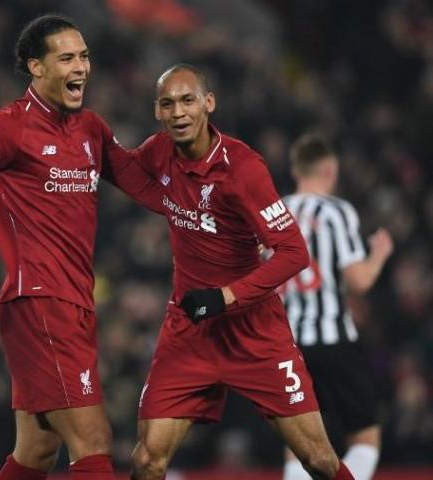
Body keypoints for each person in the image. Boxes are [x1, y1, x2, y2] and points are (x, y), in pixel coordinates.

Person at [0, 14, 160, 480]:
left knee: (36, 453)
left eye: (84, 55)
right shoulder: (4, 128)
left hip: (75, 302)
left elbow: (143, 186)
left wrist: (212, 214)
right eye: (66, 57)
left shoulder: (92, 129)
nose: (81, 66)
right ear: (36, 67)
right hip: (39, 302)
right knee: (93, 441)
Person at [127, 64, 356, 480]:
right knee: (146, 462)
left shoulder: (243, 169)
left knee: (320, 462)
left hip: (254, 330)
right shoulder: (157, 151)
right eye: (168, 103)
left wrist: (223, 298)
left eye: (188, 100)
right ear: (157, 111)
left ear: (208, 103)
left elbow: (293, 253)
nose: (178, 112)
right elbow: (118, 171)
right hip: (190, 328)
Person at [280, 134, 394, 480]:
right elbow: (359, 280)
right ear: (329, 170)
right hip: (335, 340)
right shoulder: (335, 211)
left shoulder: (276, 211)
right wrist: (379, 255)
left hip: (288, 344)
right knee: (365, 436)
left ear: (295, 169)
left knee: (299, 441)